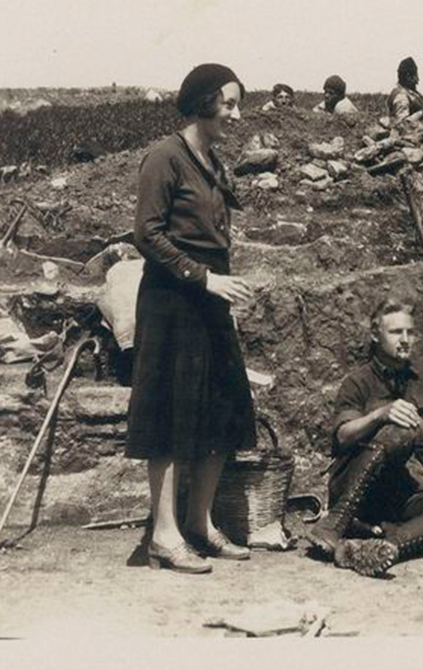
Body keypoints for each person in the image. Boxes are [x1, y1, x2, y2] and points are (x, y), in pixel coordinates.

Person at [126, 63, 257, 573]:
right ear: (202, 102)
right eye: (228, 103)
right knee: (171, 414)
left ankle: (200, 524)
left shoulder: (210, 158)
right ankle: (163, 535)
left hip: (211, 296)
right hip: (173, 298)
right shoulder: (165, 157)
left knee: (225, 408)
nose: (235, 113)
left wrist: (217, 281)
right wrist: (203, 277)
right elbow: (147, 234)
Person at [304, 298, 423, 577]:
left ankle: (381, 547)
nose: (405, 340)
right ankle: (335, 524)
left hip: (404, 490)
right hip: (357, 488)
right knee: (403, 427)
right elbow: (342, 436)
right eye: (396, 332)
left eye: (410, 332)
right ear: (376, 335)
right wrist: (380, 415)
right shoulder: (358, 381)